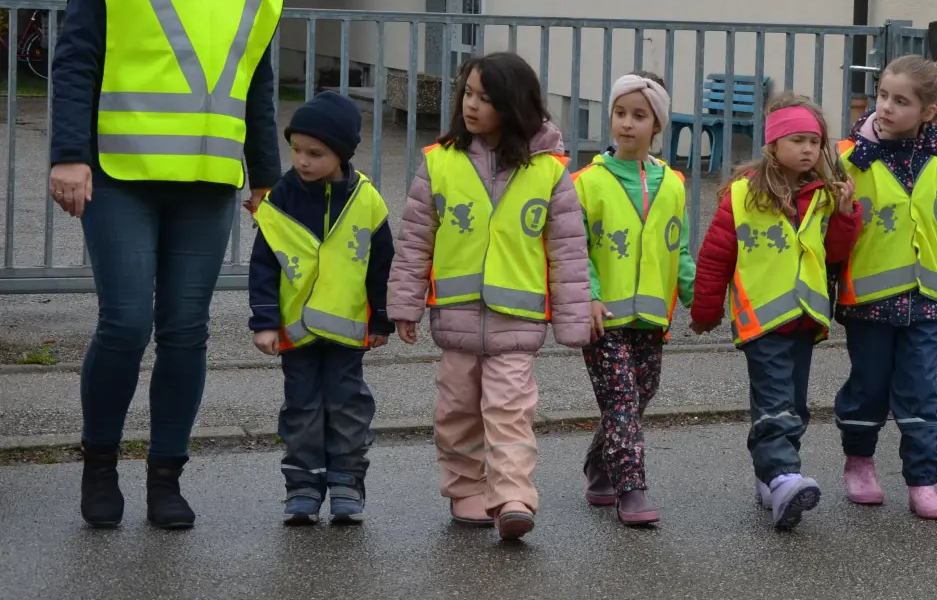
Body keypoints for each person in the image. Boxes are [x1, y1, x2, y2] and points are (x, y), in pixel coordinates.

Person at [50, 0, 284, 529]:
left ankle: (166, 476)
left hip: (207, 181)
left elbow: (258, 85)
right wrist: (68, 155)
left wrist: (267, 179)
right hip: (121, 174)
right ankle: (98, 467)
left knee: (185, 332)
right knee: (125, 323)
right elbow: (76, 60)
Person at [387, 52, 590, 541]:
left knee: (509, 412)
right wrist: (404, 304)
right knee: (456, 410)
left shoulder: (549, 172)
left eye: (486, 97)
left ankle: (513, 496)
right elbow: (416, 239)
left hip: (517, 321)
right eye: (468, 94)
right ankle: (465, 489)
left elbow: (568, 250)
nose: (472, 105)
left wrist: (573, 320)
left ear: (514, 105)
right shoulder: (441, 162)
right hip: (456, 319)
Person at [690, 94, 862, 531]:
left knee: (794, 405)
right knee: (774, 402)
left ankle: (770, 479)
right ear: (773, 144)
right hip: (761, 321)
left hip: (805, 320)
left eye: (815, 142)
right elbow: (715, 257)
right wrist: (705, 311)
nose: (808, 149)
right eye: (798, 140)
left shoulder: (824, 197)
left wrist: (845, 216)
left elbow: (835, 255)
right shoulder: (743, 196)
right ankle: (785, 474)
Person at [832, 56, 937, 520]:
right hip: (868, 302)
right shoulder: (850, 156)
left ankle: (923, 480)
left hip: (926, 302)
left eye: (901, 101)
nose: (886, 107)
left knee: (920, 391)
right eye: (882, 96)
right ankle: (860, 463)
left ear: (929, 111)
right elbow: (831, 232)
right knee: (868, 387)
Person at [248, 91, 394, 525]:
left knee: (348, 405)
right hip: (295, 333)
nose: (302, 161)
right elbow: (263, 267)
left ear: (342, 154)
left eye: (316, 153)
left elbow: (381, 265)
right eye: (296, 150)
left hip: (348, 333)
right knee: (302, 408)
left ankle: (347, 483)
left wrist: (382, 319)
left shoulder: (367, 200)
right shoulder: (279, 201)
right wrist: (265, 322)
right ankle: (303, 487)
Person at [574, 71, 695, 527]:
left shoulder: (673, 183)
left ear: (657, 125)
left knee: (641, 393)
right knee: (622, 398)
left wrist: (695, 294)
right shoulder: (587, 181)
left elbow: (677, 245)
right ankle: (633, 487)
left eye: (639, 116)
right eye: (620, 113)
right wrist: (588, 296)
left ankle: (599, 462)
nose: (627, 123)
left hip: (651, 317)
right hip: (603, 317)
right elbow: (575, 247)